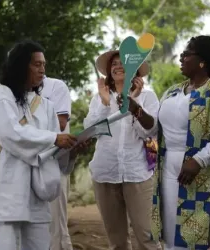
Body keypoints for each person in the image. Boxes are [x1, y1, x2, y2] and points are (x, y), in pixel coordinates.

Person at [0, 40, 83, 250]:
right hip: (9, 192)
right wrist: (54, 138)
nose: (42, 70)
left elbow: (53, 155)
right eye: (37, 64)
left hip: (38, 197)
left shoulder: (46, 105)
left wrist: (72, 152)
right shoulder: (0, 96)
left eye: (44, 65)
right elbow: (11, 135)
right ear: (20, 65)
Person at [151, 35, 210, 250]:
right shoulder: (172, 92)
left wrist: (198, 161)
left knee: (197, 236)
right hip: (168, 168)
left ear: (203, 61)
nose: (181, 57)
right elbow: (155, 128)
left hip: (202, 172)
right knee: (173, 232)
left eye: (187, 53)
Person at [83, 50, 160, 250]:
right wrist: (105, 102)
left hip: (137, 174)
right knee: (117, 241)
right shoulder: (100, 98)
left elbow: (150, 132)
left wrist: (134, 103)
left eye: (123, 62)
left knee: (147, 236)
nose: (117, 66)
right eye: (114, 63)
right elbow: (91, 131)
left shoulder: (148, 96)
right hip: (105, 173)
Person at [40, 73, 74, 249]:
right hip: (27, 165)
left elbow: (60, 125)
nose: (40, 68)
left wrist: (22, 128)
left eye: (41, 64)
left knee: (56, 226)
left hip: (54, 164)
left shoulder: (55, 86)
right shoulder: (13, 91)